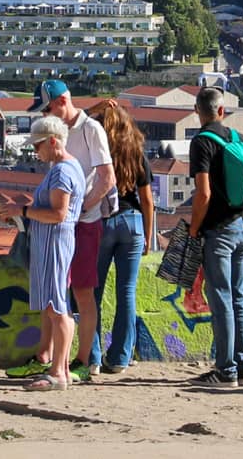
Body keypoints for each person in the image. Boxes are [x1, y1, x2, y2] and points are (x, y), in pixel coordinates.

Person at [26, 79, 114, 384]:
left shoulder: (91, 129)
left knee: (82, 293)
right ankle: (48, 356)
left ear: (62, 101)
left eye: (48, 108)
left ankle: (84, 359)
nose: (47, 114)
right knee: (57, 294)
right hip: (67, 223)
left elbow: (107, 179)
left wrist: (79, 211)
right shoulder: (62, 135)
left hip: (84, 224)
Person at [187, 85, 243, 387]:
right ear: (222, 111)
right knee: (238, 297)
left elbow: (203, 193)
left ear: (197, 112)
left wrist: (194, 227)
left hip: (219, 232)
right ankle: (241, 364)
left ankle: (225, 370)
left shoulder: (202, 143)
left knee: (222, 299)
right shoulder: (238, 139)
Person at [90, 99, 156, 378]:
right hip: (133, 223)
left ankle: (92, 356)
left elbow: (73, 123)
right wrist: (149, 238)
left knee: (92, 292)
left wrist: (95, 107)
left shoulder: (97, 153)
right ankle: (119, 357)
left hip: (102, 222)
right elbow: (148, 200)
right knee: (126, 293)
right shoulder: (137, 153)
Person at [19, 115, 85, 391]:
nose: (36, 151)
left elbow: (58, 214)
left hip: (55, 242)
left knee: (57, 307)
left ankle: (58, 372)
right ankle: (63, 370)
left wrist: (21, 211)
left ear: (53, 141)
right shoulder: (67, 167)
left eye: (38, 145)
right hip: (55, 241)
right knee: (55, 305)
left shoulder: (62, 171)